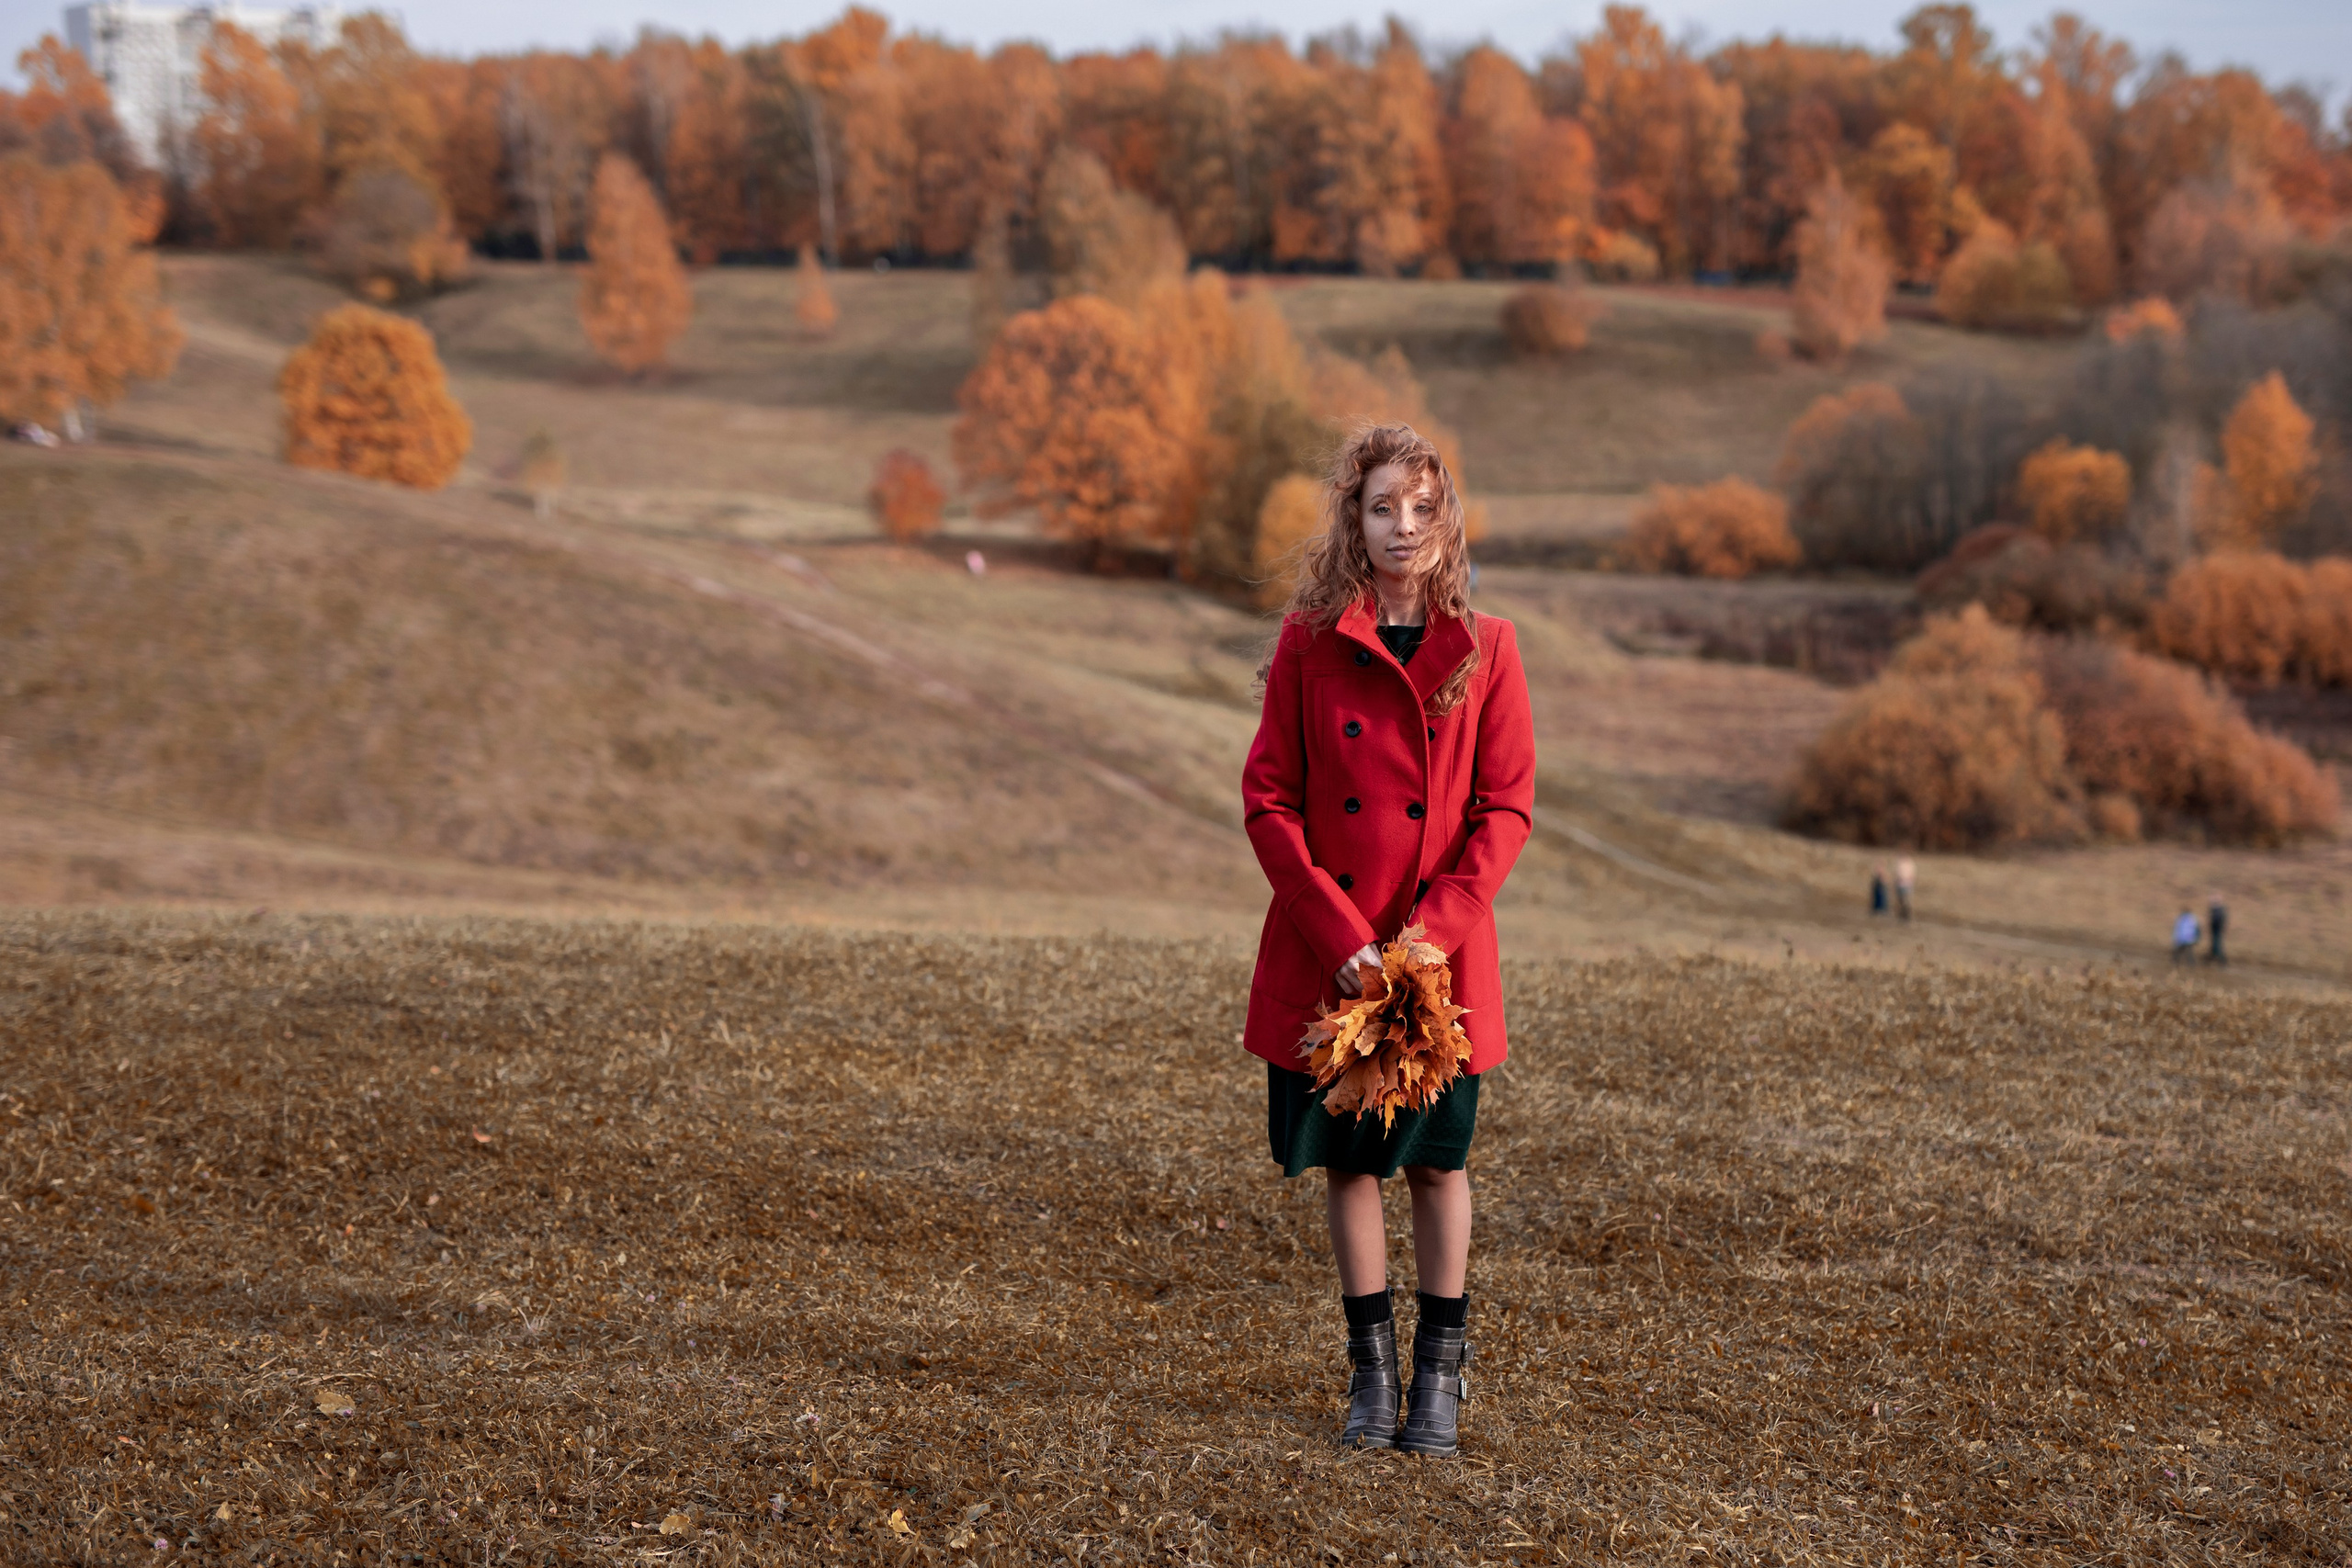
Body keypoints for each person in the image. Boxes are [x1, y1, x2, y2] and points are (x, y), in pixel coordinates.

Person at [1241, 423, 1535, 1458]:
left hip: (1438, 969)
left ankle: (1438, 1383)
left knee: (1437, 1165)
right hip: (1333, 954)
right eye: (1380, 508)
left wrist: (1427, 941)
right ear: (1352, 521)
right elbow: (1269, 798)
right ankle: (1371, 1375)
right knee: (1349, 1164)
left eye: (1421, 507)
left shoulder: (1490, 646)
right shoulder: (1306, 640)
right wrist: (1341, 937)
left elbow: (1505, 810)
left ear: (1445, 517)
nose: (1402, 527)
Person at [2207, 894, 2228, 965]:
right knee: (2215, 944)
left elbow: (2218, 921)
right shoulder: (2215, 910)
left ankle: (2222, 960)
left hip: (2217, 929)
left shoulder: (2219, 910)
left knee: (2217, 944)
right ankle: (2214, 958)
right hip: (2214, 929)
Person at [1894, 857, 1916, 921]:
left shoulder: (1911, 864)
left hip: (1907, 885)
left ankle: (1907, 915)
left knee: (1907, 901)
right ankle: (1902, 914)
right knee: (1901, 901)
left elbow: (1912, 876)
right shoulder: (1900, 863)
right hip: (1900, 885)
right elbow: (1898, 874)